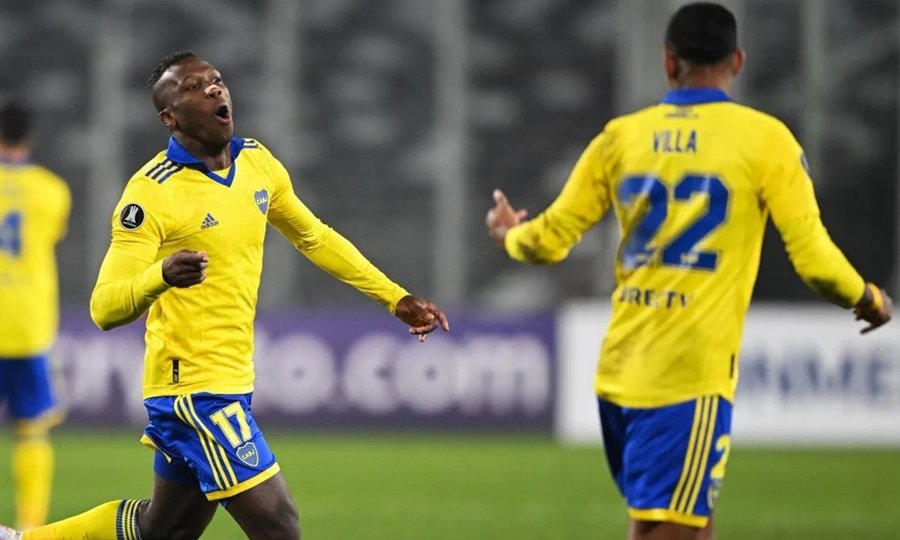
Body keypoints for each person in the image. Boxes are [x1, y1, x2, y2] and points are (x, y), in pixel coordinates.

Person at [0, 51, 449, 540]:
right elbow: (104, 307)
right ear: (170, 118)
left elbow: (313, 236)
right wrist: (161, 277)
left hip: (232, 377)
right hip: (193, 391)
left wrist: (394, 297)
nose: (214, 89)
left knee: (161, 529)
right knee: (279, 527)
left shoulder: (257, 161)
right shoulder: (150, 194)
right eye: (193, 87)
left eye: (215, 80)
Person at [484, 3, 892, 540]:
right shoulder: (765, 140)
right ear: (738, 61)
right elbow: (814, 262)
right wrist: (866, 298)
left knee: (689, 524)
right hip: (685, 375)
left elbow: (548, 240)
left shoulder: (621, 137)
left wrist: (512, 232)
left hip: (620, 369)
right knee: (666, 531)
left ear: (668, 63)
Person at [0, 101, 71, 532]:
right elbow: (50, 235)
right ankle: (31, 527)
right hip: (27, 324)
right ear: (30, 137)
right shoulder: (52, 190)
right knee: (31, 430)